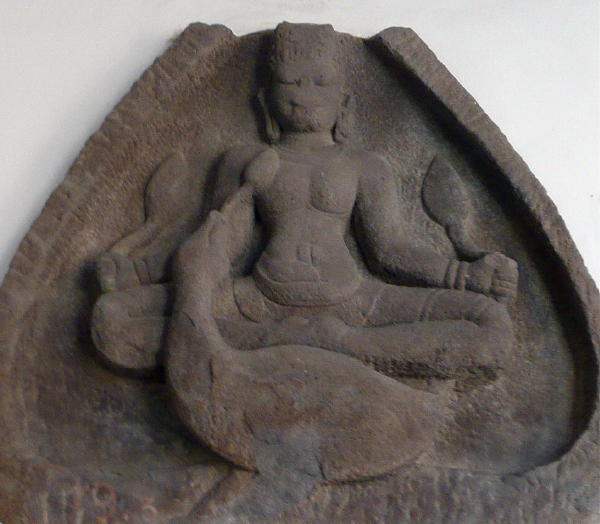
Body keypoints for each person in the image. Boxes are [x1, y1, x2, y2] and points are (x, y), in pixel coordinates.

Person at [92, 22, 518, 382]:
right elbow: (221, 245)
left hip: (356, 303)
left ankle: (318, 346)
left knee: (491, 323)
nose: (304, 95)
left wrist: (464, 276)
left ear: (344, 100)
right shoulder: (244, 160)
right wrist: (139, 271)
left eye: (320, 82)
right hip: (256, 301)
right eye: (291, 82)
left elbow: (389, 250)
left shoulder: (366, 165)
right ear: (266, 101)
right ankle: (317, 346)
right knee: (112, 317)